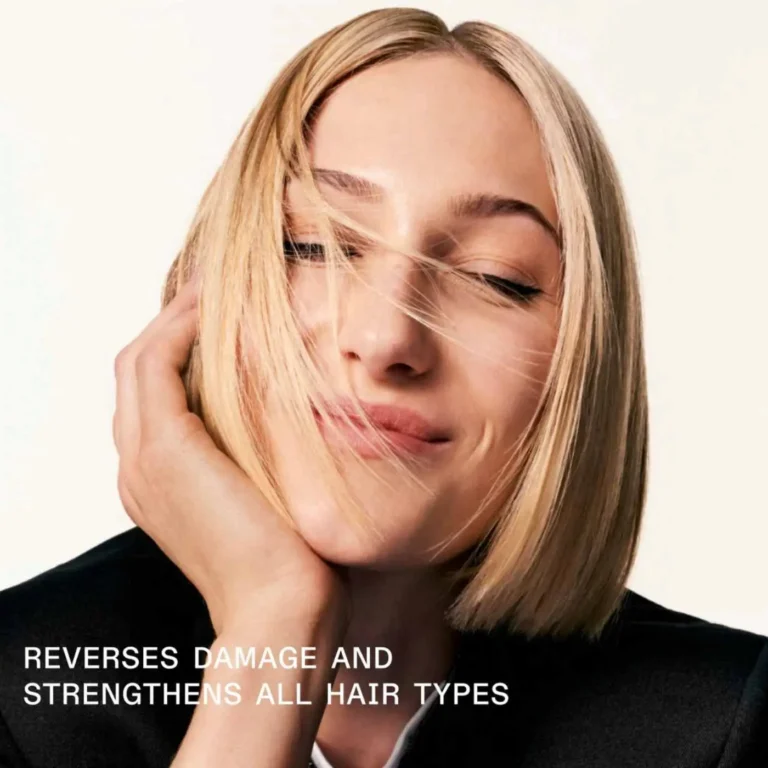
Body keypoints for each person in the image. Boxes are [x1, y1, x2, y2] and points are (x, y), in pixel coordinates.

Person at [0, 7, 766, 768]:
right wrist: (272, 625)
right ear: (195, 295)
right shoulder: (21, 696)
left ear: (581, 364)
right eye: (313, 244)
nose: (386, 339)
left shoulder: (723, 726)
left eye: (494, 277)